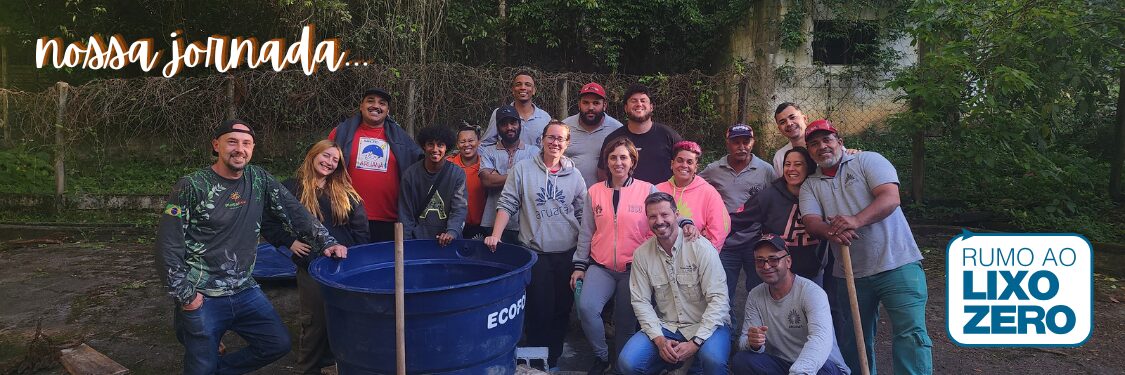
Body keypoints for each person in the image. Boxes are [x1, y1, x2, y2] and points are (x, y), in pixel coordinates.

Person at [158, 120, 347, 375]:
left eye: (246, 143)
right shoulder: (192, 186)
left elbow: (294, 211)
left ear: (253, 148)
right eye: (232, 141)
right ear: (216, 145)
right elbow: (167, 244)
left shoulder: (258, 178)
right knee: (199, 364)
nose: (240, 149)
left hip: (244, 289)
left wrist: (326, 241)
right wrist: (186, 296)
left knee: (276, 344)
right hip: (202, 294)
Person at [798, 120, 932, 375]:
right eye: (814, 144)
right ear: (809, 151)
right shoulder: (811, 185)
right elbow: (811, 221)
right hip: (851, 273)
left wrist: (855, 221)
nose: (822, 147)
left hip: (898, 263)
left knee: (910, 334)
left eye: (827, 140)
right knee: (855, 340)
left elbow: (890, 197)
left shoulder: (868, 161)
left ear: (839, 140)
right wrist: (832, 232)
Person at [484, 120, 587, 371]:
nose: (555, 143)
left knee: (562, 310)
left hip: (567, 254)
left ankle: (553, 359)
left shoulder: (575, 175)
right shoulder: (522, 170)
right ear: (542, 139)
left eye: (560, 139)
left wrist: (586, 254)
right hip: (536, 252)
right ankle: (537, 362)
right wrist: (495, 235)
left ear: (567, 144)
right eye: (551, 137)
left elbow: (584, 215)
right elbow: (507, 203)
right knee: (539, 309)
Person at [261, 139, 369, 375]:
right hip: (311, 265)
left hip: (343, 266)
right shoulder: (291, 188)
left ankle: (332, 365)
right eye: (326, 156)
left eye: (335, 160)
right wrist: (289, 242)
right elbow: (267, 222)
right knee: (315, 322)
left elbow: (360, 230)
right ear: (313, 155)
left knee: (342, 318)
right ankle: (307, 368)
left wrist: (356, 258)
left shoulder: (345, 191)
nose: (329, 162)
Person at [618, 192, 730, 375]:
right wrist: (660, 340)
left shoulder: (701, 248)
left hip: (707, 324)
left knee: (713, 360)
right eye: (653, 216)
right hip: (667, 326)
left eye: (664, 214)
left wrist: (695, 343)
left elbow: (719, 299)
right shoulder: (641, 254)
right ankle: (674, 365)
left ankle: (691, 364)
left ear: (677, 215)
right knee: (627, 363)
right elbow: (641, 302)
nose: (659, 221)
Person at [571, 137, 655, 374]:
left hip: (634, 269)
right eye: (613, 157)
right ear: (606, 162)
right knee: (587, 309)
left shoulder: (647, 190)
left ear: (632, 162)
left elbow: (665, 220)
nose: (618, 162)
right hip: (601, 266)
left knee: (625, 322)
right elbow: (586, 231)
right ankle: (602, 356)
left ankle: (621, 365)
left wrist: (687, 223)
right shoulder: (594, 192)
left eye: (623, 157)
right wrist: (579, 265)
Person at [732, 234, 850, 375]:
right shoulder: (755, 295)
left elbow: (820, 339)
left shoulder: (812, 293)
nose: (766, 266)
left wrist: (799, 371)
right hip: (783, 364)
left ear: (788, 262)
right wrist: (753, 343)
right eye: (760, 261)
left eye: (773, 259)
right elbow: (744, 340)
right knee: (742, 360)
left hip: (820, 366)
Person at [329, 87, 423, 242]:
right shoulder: (341, 132)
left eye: (382, 103)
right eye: (370, 101)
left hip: (388, 218)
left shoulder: (402, 138)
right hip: (346, 214)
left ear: (387, 110)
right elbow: (324, 163)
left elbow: (421, 165)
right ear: (361, 106)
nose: (376, 106)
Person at [729, 147, 829, 287]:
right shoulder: (768, 197)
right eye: (787, 164)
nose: (791, 169)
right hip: (776, 274)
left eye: (798, 164)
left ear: (810, 167)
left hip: (812, 273)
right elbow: (735, 221)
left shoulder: (822, 193)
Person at [479, 105, 541, 243]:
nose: (509, 127)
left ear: (519, 124)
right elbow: (487, 181)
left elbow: (534, 183)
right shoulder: (489, 151)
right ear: (498, 127)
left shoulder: (534, 152)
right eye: (504, 124)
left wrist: (498, 175)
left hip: (525, 224)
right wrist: (521, 176)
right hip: (492, 221)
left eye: (513, 123)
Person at [398, 125, 467, 245]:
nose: (435, 149)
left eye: (440, 145)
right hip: (417, 242)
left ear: (446, 148)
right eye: (430, 144)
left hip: (447, 243)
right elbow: (405, 214)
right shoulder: (410, 175)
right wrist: (406, 244)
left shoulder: (457, 174)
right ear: (424, 146)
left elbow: (459, 208)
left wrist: (451, 232)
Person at [600, 84, 683, 184]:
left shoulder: (669, 136)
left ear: (651, 107)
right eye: (633, 101)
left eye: (643, 101)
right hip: (625, 198)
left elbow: (684, 168)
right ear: (626, 108)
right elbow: (603, 173)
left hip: (662, 197)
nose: (639, 104)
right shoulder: (613, 139)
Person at [656, 141, 729, 251]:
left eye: (689, 162)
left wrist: (706, 255)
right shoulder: (657, 190)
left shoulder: (708, 192)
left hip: (695, 256)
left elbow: (720, 229)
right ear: (672, 164)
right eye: (680, 161)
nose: (684, 165)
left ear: (696, 167)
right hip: (660, 255)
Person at [699, 123, 776, 213]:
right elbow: (693, 186)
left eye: (746, 142)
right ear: (728, 143)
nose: (741, 147)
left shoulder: (766, 170)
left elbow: (776, 199)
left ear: (753, 143)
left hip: (755, 226)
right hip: (723, 225)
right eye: (736, 142)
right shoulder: (713, 170)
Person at [562, 82, 624, 187]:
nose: (590, 107)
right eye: (585, 103)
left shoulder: (617, 130)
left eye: (596, 103)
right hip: (569, 194)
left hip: (605, 195)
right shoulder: (565, 127)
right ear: (579, 104)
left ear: (604, 105)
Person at [481, 72, 552, 147]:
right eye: (518, 84)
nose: (523, 87)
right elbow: (486, 144)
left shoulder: (545, 118)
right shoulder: (500, 113)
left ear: (534, 90)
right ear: (513, 90)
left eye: (528, 84)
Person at [448, 123, 487, 239]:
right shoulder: (448, 164)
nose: (467, 145)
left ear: (478, 142)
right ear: (457, 144)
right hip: (452, 227)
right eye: (462, 141)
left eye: (471, 141)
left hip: (480, 227)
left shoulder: (487, 167)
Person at [771, 103, 810, 173]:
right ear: (780, 129)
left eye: (792, 117)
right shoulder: (780, 157)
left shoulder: (821, 148)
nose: (789, 123)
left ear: (805, 119)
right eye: (783, 122)